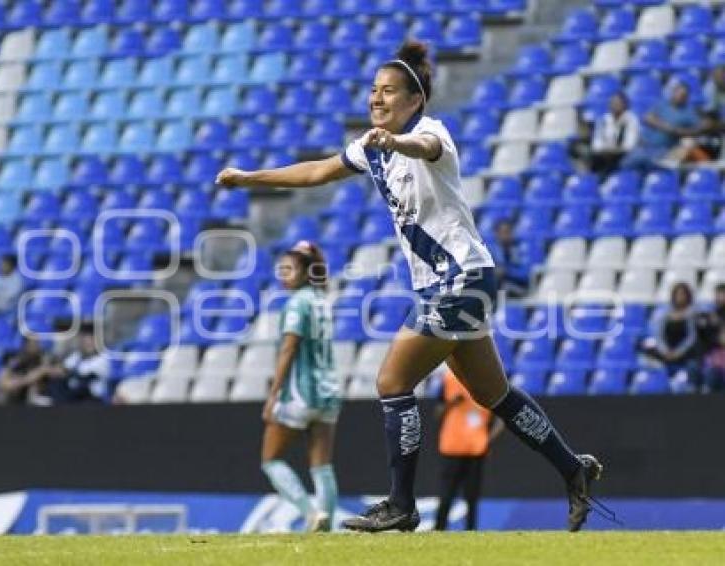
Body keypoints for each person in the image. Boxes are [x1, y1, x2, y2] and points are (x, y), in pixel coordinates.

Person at [217, 40, 603, 533]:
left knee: (393, 382)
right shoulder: (369, 147)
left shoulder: (430, 133)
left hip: (461, 278)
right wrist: (251, 177)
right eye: (374, 91)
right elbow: (316, 171)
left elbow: (422, 148)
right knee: (494, 395)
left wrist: (395, 142)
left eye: (389, 91)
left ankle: (401, 503)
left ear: (415, 99)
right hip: (455, 282)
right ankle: (575, 469)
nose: (377, 99)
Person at [259, 241, 340, 532]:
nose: (283, 275)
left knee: (270, 460)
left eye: (289, 269)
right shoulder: (322, 299)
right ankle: (326, 523)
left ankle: (310, 512)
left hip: (300, 393)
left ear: (306, 272)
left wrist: (273, 395)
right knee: (322, 465)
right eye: (281, 269)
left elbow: (288, 348)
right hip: (329, 393)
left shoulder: (296, 304)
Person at [434, 367, 503, 531]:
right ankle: (439, 530)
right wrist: (451, 403)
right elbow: (437, 412)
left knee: (472, 497)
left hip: (476, 449)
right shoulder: (449, 379)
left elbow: (501, 418)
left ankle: (471, 531)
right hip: (452, 447)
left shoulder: (489, 379)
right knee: (446, 495)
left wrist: (487, 438)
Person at [621, 80, 700, 171]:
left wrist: (676, 131)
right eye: (678, 93)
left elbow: (695, 132)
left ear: (687, 97)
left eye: (684, 95)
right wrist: (668, 127)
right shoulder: (662, 104)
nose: (680, 96)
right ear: (673, 92)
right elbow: (647, 118)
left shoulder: (689, 113)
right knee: (625, 164)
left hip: (664, 149)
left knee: (647, 163)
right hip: (644, 145)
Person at [37, 326, 110, 405]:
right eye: (85, 342)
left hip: (92, 400)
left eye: (91, 342)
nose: (87, 345)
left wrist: (61, 372)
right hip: (72, 397)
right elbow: (62, 369)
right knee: (55, 384)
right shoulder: (77, 356)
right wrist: (46, 369)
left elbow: (83, 378)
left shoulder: (103, 359)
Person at [641, 282, 699, 378]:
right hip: (667, 350)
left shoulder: (692, 314)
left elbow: (691, 337)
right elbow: (659, 334)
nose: (680, 297)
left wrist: (679, 352)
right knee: (644, 347)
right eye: (677, 294)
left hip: (684, 352)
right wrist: (665, 351)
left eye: (682, 294)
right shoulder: (665, 314)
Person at [589, 92, 639, 176]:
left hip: (622, 154)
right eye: (613, 103)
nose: (615, 106)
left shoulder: (631, 120)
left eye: (618, 103)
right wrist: (604, 150)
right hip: (603, 154)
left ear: (625, 105)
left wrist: (613, 150)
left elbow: (629, 145)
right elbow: (597, 143)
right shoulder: (603, 120)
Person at [0, 337, 50, 404]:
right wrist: (32, 377)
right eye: (35, 343)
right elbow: (6, 384)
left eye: (38, 343)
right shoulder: (12, 358)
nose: (38, 346)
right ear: (26, 344)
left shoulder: (38, 360)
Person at [487, 219, 529, 300]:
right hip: (497, 286)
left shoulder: (521, 249)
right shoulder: (491, 251)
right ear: (496, 234)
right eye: (501, 232)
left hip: (518, 286)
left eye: (507, 232)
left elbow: (526, 274)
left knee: (504, 288)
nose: (505, 235)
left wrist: (507, 271)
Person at [701, 327, 725, 393]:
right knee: (710, 372)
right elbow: (706, 368)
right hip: (716, 381)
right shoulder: (714, 352)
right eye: (723, 334)